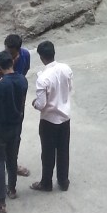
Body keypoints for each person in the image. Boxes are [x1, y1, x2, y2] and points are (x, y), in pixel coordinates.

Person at [0, 52, 28, 213]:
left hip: (0, 127)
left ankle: (1, 202)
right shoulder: (23, 80)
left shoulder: (1, 85)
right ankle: (12, 190)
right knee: (12, 158)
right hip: (15, 125)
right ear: (12, 63)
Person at [0, 32, 30, 187]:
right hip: (0, 104)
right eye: (6, 50)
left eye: (11, 52)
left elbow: (24, 74)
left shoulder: (25, 56)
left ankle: (13, 164)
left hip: (18, 106)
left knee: (16, 136)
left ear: (18, 50)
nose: (7, 55)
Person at [30, 40, 73, 192]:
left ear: (41, 57)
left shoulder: (43, 78)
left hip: (49, 120)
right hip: (65, 117)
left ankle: (46, 182)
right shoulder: (66, 69)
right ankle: (63, 180)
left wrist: (34, 103)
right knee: (63, 150)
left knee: (47, 153)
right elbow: (69, 88)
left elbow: (41, 104)